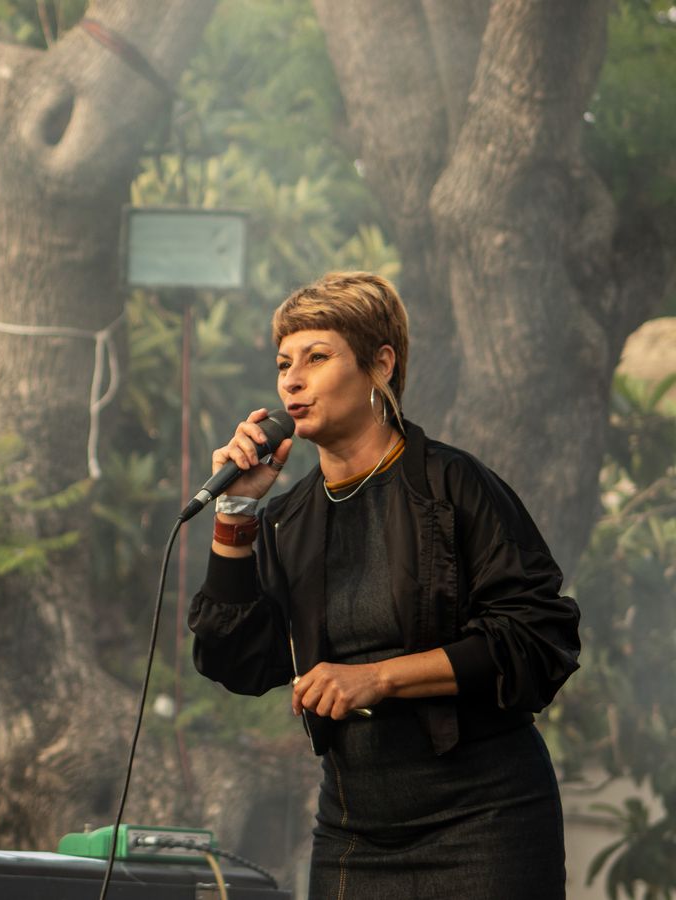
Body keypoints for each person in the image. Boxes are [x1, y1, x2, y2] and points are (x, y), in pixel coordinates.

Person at [187, 272, 581, 898]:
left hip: (485, 821)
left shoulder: (454, 487)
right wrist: (235, 516)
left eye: (317, 358)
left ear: (380, 364)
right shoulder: (291, 518)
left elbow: (538, 636)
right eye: (284, 362)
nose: (292, 379)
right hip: (354, 828)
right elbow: (237, 659)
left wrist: (379, 677)